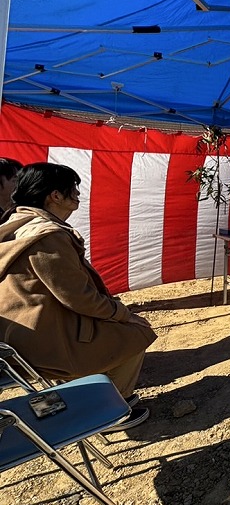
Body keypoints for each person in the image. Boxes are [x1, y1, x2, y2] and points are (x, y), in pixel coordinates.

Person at [0, 163, 156, 429]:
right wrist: (121, 313)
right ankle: (107, 410)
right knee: (136, 332)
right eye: (72, 189)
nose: (78, 194)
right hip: (43, 339)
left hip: (22, 335)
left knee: (113, 325)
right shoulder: (46, 236)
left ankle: (93, 395)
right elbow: (79, 298)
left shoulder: (17, 222)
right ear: (55, 196)